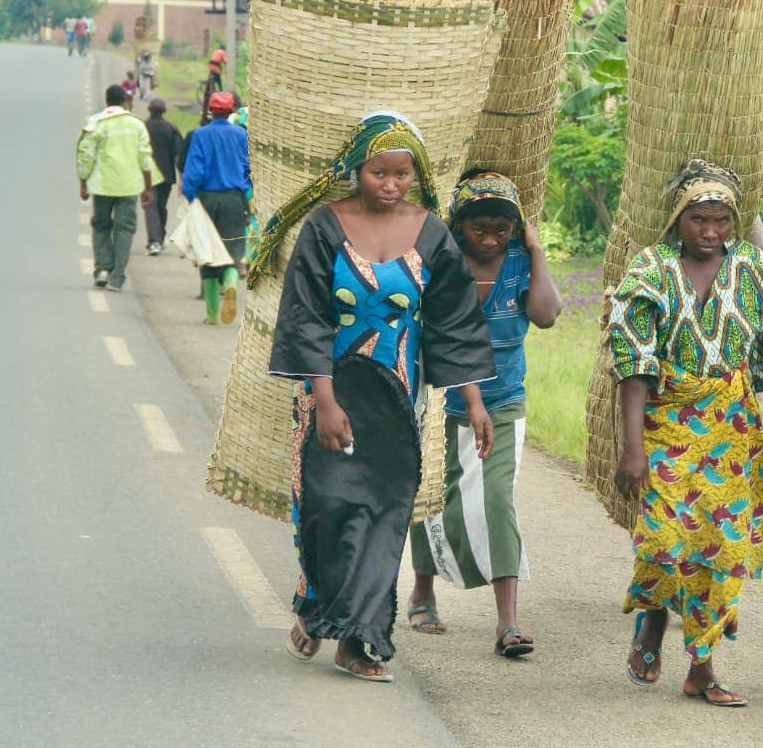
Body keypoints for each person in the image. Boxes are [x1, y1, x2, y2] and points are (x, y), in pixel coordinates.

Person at [261, 110, 496, 683]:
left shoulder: (433, 233)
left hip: (398, 400)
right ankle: (318, 602)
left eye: (402, 174)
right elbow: (307, 318)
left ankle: (361, 640)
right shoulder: (323, 228)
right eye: (378, 173)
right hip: (329, 394)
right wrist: (325, 400)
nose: (391, 186)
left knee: (383, 513)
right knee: (325, 508)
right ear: (355, 170)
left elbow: (452, 324)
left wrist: (474, 401)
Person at [608, 159, 763, 708]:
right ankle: (651, 620)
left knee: (720, 547)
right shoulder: (649, 272)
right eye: (700, 220)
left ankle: (702, 667)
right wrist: (632, 449)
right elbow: (633, 365)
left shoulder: (755, 273)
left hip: (732, 427)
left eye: (721, 221)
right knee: (669, 538)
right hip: (666, 423)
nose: (712, 232)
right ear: (679, 217)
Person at [407, 171, 563, 656]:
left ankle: (508, 622)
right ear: (459, 228)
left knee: (497, 498)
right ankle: (423, 590)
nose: (491, 239)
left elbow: (546, 314)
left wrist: (535, 251)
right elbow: (448, 337)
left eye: (502, 229)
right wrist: (470, 402)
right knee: (431, 494)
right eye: (480, 230)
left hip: (503, 399)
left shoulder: (518, 260)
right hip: (439, 397)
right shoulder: (441, 260)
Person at [180, 92, 252, 324]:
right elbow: (250, 169)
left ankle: (211, 314)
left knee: (207, 253)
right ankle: (230, 284)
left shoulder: (200, 135)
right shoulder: (242, 135)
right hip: (235, 199)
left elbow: (194, 170)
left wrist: (191, 197)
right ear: (231, 112)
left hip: (207, 200)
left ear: (211, 111)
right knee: (232, 250)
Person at [76, 84, 155, 292]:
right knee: (124, 229)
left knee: (101, 226)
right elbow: (145, 158)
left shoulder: (97, 123)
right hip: (129, 187)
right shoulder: (137, 125)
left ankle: (102, 269)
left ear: (106, 101)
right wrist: (149, 188)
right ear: (125, 102)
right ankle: (117, 277)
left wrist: (83, 182)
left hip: (102, 186)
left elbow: (85, 154)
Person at [143, 97, 185, 256]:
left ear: (148, 109)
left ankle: (154, 241)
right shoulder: (171, 129)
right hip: (167, 175)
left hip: (147, 174)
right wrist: (181, 178)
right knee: (161, 206)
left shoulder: (143, 128)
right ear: (164, 111)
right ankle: (159, 237)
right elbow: (178, 157)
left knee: (150, 206)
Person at [200, 48, 226, 118]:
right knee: (219, 81)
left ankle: (208, 86)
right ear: (224, 49)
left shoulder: (216, 51)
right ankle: (220, 93)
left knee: (211, 80)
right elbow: (225, 61)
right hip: (216, 67)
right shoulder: (223, 52)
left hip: (211, 65)